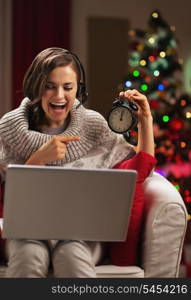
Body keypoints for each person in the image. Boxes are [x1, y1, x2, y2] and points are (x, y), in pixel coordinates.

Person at [0, 47, 156, 277]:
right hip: (26, 235)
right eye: (50, 86)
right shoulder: (10, 127)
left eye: (68, 87)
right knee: (29, 255)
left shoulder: (92, 124)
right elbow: (8, 194)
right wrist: (38, 159)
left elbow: (139, 166)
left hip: (80, 236)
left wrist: (145, 119)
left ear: (78, 89)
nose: (59, 96)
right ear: (36, 87)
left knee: (71, 254)